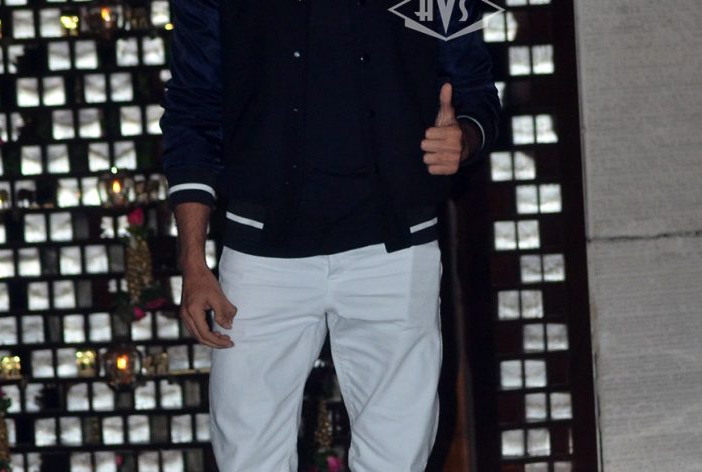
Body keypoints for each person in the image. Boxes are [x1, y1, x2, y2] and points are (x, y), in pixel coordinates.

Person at [160, 0, 500, 470]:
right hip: (261, 254)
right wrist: (193, 262)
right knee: (247, 454)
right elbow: (193, 105)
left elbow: (476, 89)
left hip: (395, 249)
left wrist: (465, 137)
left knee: (398, 457)